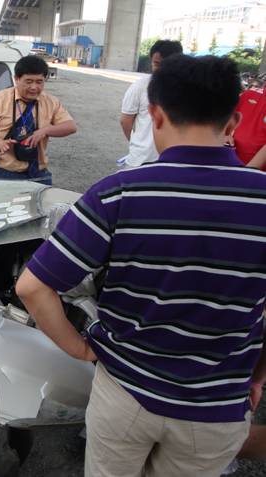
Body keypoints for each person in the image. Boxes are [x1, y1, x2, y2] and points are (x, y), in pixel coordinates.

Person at [16, 54, 266, 477]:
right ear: (234, 122)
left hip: (126, 393)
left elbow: (32, 287)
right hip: (217, 406)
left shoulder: (119, 193)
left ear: (154, 114)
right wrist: (257, 375)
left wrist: (79, 348)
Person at [0, 55, 76, 184]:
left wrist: (45, 131)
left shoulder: (51, 102)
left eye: (39, 82)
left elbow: (71, 126)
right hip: (7, 173)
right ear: (16, 79)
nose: (34, 87)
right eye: (28, 81)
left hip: (39, 173)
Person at [118, 40, 182, 168]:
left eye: (167, 64)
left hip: (174, 163)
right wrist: (139, 143)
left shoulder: (187, 89)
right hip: (140, 161)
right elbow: (126, 121)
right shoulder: (140, 87)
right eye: (156, 64)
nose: (160, 69)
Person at [230, 87, 266, 171]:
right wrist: (226, 134)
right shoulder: (249, 94)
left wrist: (247, 172)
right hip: (233, 165)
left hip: (258, 176)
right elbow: (226, 119)